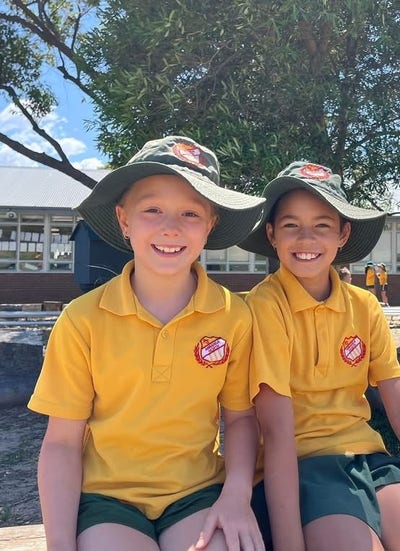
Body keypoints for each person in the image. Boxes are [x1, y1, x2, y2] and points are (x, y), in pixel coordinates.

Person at [27, 136, 267, 551]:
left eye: (190, 213)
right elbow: (62, 443)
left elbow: (242, 419)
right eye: (152, 210)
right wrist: (59, 545)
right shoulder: (82, 320)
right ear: (124, 220)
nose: (170, 227)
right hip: (107, 500)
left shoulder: (234, 316)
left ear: (210, 225)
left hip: (197, 493)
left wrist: (236, 495)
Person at [238, 161, 400, 551]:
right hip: (304, 469)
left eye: (322, 225)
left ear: (343, 233)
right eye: (291, 225)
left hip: (370, 462)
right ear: (271, 234)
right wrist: (289, 542)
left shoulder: (364, 306)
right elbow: (276, 430)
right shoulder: (265, 306)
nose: (307, 239)